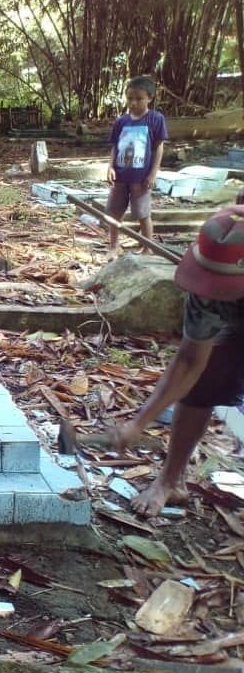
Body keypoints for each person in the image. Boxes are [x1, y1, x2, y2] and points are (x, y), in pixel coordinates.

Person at [103, 203, 244, 517]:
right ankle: (171, 481)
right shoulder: (212, 280)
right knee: (206, 380)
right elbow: (189, 362)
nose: (212, 295)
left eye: (224, 290)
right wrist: (138, 423)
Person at [105, 76, 167, 259]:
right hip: (120, 176)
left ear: (150, 98)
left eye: (139, 99)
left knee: (142, 213)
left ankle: (147, 247)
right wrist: (110, 166)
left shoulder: (155, 119)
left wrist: (153, 173)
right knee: (115, 212)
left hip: (141, 177)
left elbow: (158, 147)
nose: (133, 103)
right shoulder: (121, 121)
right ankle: (113, 246)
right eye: (130, 98)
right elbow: (115, 146)